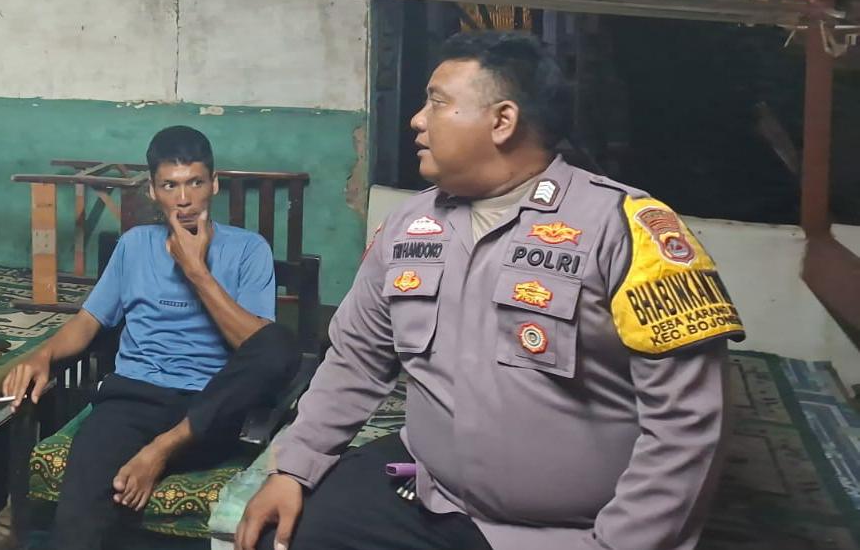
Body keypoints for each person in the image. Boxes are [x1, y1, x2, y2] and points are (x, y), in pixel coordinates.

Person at [237, 31, 744, 550]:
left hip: (571, 532)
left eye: (437, 102)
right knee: (290, 535)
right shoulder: (409, 225)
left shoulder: (626, 230)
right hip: (431, 495)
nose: (417, 120)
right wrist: (292, 469)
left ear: (503, 121)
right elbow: (356, 359)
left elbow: (687, 425)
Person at [3, 125, 298, 550]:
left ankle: (161, 450)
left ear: (214, 184)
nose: (184, 199)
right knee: (79, 516)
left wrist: (196, 271)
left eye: (195, 183)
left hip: (210, 407)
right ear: (153, 191)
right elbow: (88, 321)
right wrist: (43, 356)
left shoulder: (248, 250)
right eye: (170, 186)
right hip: (133, 399)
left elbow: (258, 349)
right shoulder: (135, 245)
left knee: (279, 345)